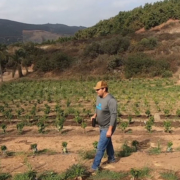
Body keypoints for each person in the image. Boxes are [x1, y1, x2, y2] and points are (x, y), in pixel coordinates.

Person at [91, 80, 117, 171]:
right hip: (101, 125)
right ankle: (112, 158)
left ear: (104, 89)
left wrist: (110, 130)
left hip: (108, 126)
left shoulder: (111, 100)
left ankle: (95, 167)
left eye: (98, 89)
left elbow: (113, 115)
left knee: (100, 147)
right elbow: (97, 107)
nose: (96, 91)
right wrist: (95, 115)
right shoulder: (99, 97)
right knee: (107, 142)